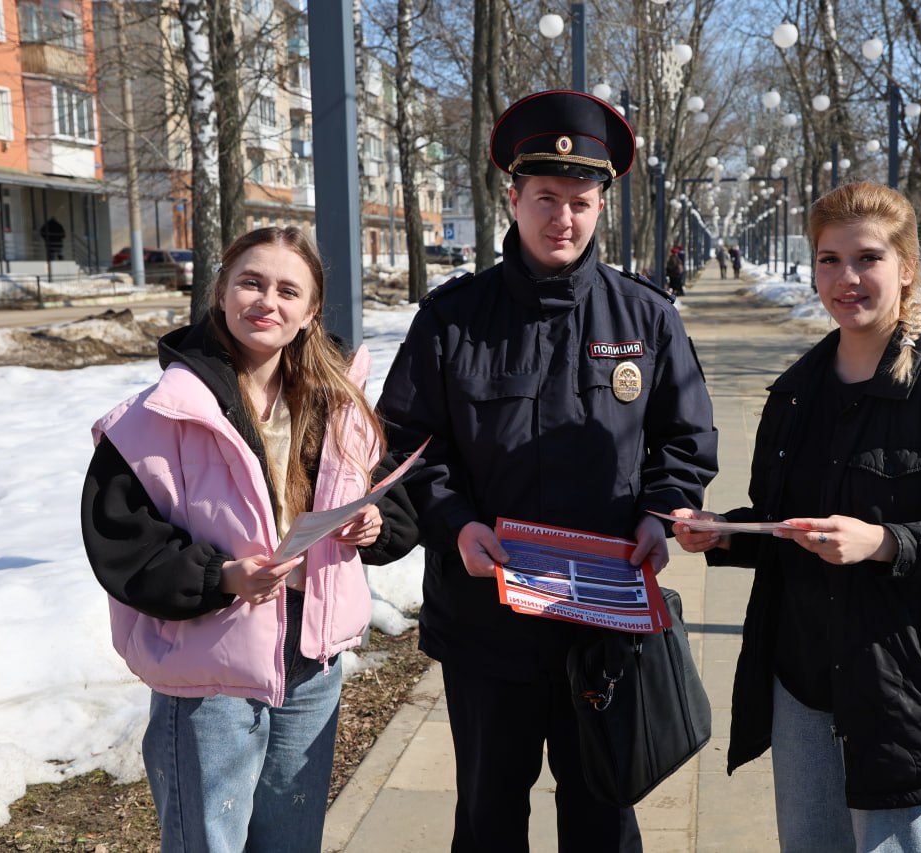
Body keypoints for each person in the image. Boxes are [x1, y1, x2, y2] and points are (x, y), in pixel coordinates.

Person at [376, 89, 718, 852]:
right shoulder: (453, 318)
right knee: (489, 817)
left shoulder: (646, 319)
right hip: (485, 622)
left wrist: (660, 515)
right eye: (545, 198)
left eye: (580, 200)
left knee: (603, 813)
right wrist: (455, 523)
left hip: (604, 623)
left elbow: (686, 440)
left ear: (602, 205)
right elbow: (405, 444)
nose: (562, 217)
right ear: (513, 198)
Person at [672, 182, 921, 853]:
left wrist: (886, 543)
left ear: (908, 268)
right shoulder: (797, 391)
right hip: (802, 678)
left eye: (867, 258)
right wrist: (724, 533)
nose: (846, 278)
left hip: (906, 691)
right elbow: (789, 524)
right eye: (828, 259)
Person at [81, 226, 419, 852]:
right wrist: (223, 577)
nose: (267, 301)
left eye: (288, 290)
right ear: (222, 291)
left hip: (312, 660)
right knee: (208, 842)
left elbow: (388, 498)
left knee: (291, 842)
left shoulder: (337, 401)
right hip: (211, 666)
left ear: (311, 311)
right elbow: (122, 543)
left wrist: (374, 527)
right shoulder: (157, 416)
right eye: (251, 282)